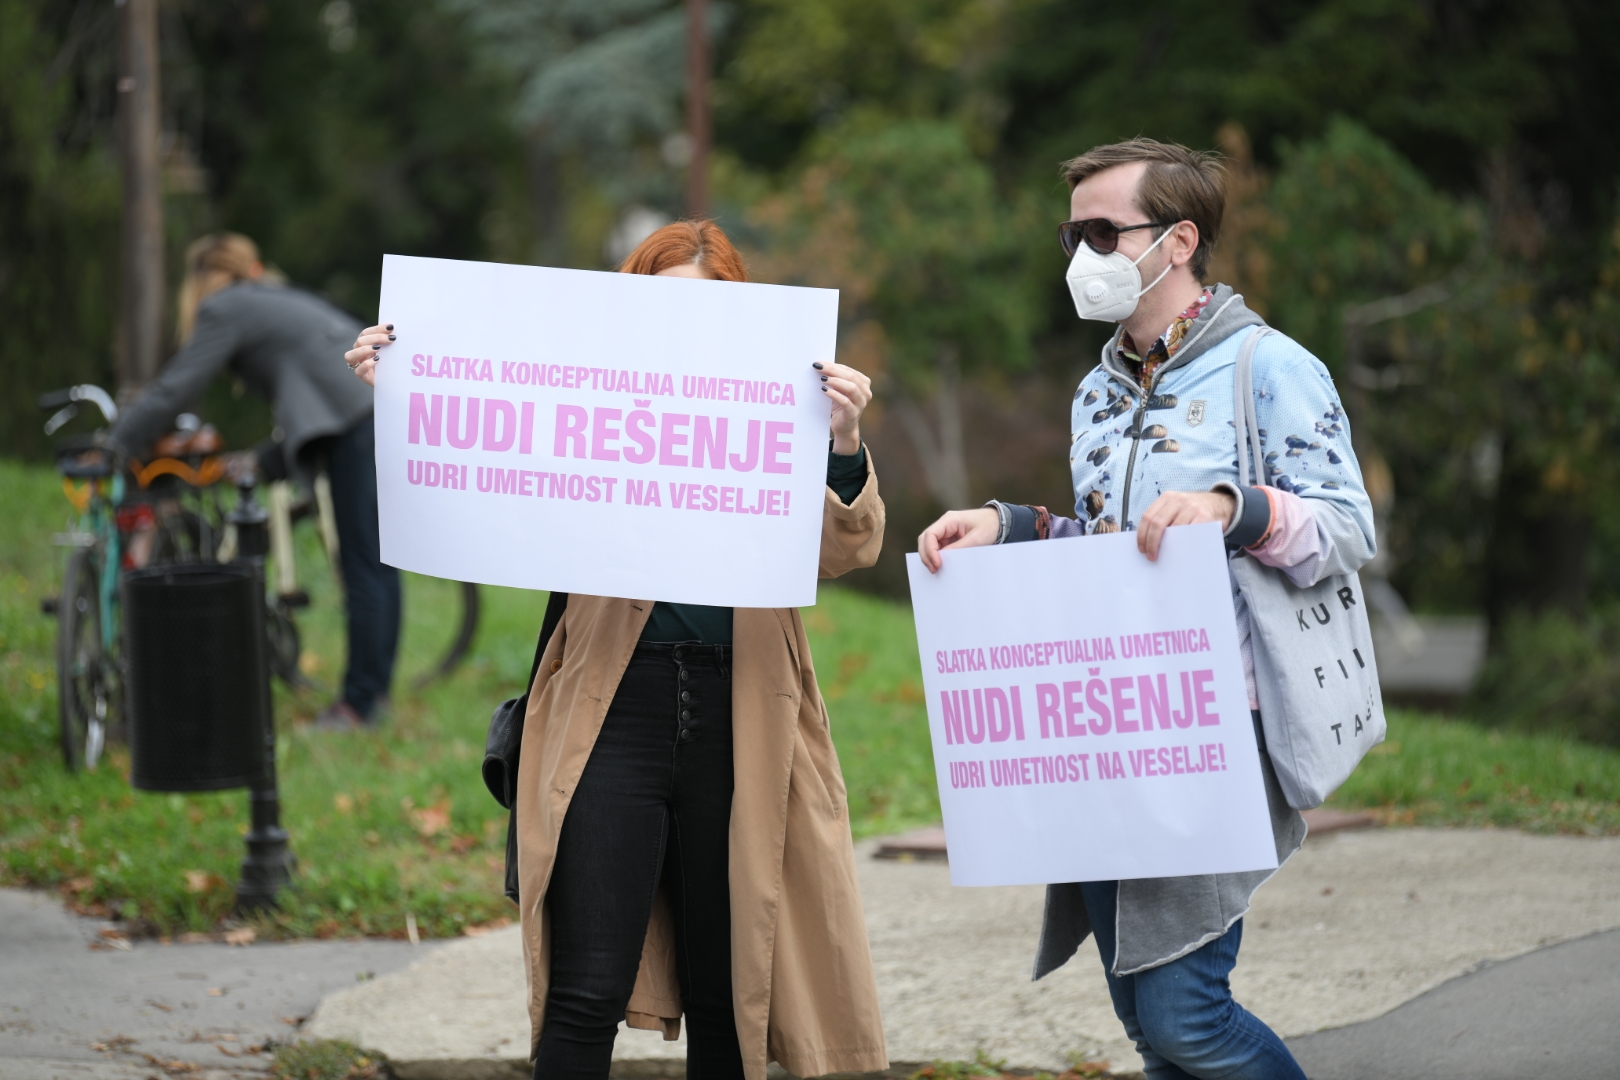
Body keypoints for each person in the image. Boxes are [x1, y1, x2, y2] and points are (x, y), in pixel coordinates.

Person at [344, 220, 890, 1080]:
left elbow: (844, 552)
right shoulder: (579, 402)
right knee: (585, 987)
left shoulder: (789, 406)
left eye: (706, 310)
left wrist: (844, 445)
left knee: (732, 990)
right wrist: (406, 392)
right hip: (610, 705)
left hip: (741, 716)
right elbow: (481, 488)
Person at [918, 139, 1376, 1080]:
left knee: (1186, 1018)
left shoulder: (1267, 366)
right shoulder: (1097, 390)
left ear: (1178, 242)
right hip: (1108, 720)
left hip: (1219, 721)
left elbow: (1346, 528)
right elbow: (1106, 547)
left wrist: (1233, 508)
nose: (1081, 253)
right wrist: (1003, 527)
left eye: (1101, 231)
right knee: (1150, 1027)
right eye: (1070, 232)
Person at [106, 232, 398, 729]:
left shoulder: (224, 308)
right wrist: (267, 458)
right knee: (373, 562)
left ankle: (359, 705)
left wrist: (116, 442)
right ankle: (373, 698)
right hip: (371, 407)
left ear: (199, 282)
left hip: (354, 417)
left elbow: (177, 387)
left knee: (363, 564)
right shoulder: (269, 298)